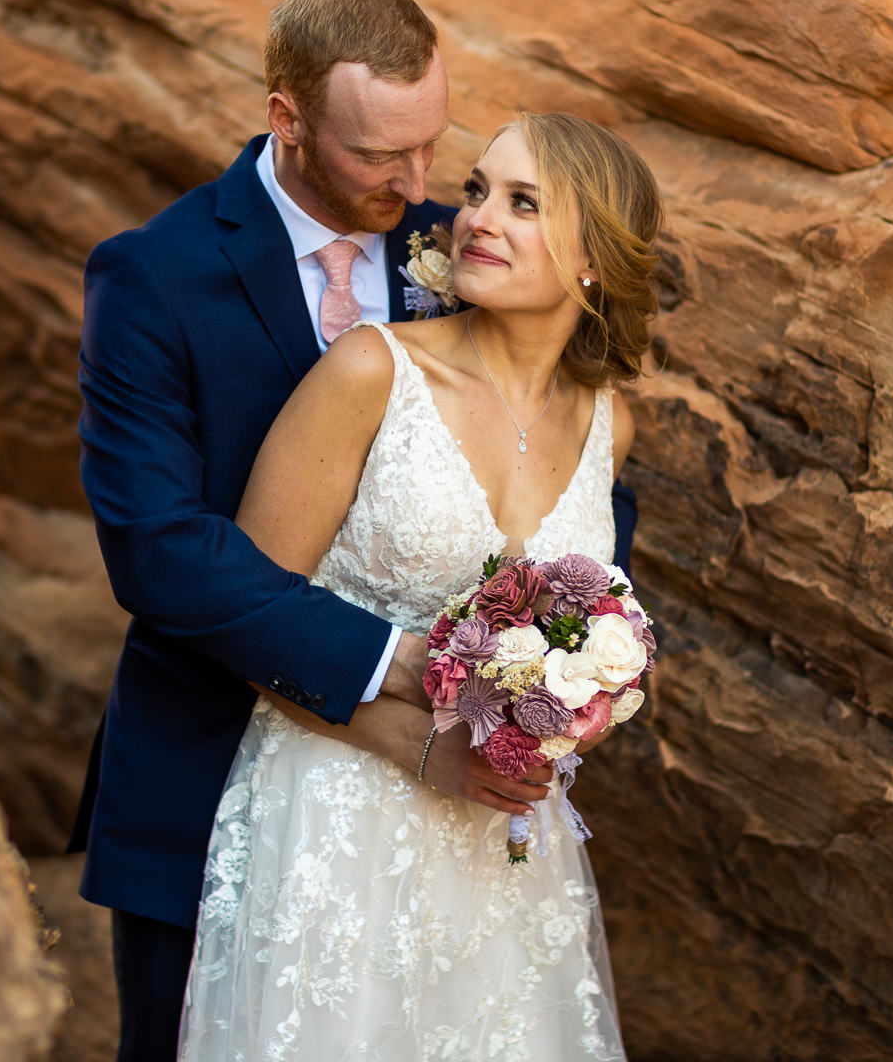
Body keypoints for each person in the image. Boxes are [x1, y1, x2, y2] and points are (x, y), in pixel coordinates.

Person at [70, 0, 640, 1061]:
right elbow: (161, 552)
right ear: (285, 117)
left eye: (435, 147)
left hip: (455, 823)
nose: (421, 184)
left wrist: (559, 650)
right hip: (211, 777)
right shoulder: (155, 277)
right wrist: (409, 669)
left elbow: (581, 462)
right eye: (384, 155)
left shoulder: (461, 250)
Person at [177, 112, 663, 1059]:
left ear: (594, 256)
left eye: (524, 203)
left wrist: (570, 705)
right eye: (478, 190)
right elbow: (245, 610)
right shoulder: (372, 371)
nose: (478, 217)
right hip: (336, 815)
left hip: (506, 843)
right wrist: (416, 746)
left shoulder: (612, 423)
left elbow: (596, 630)